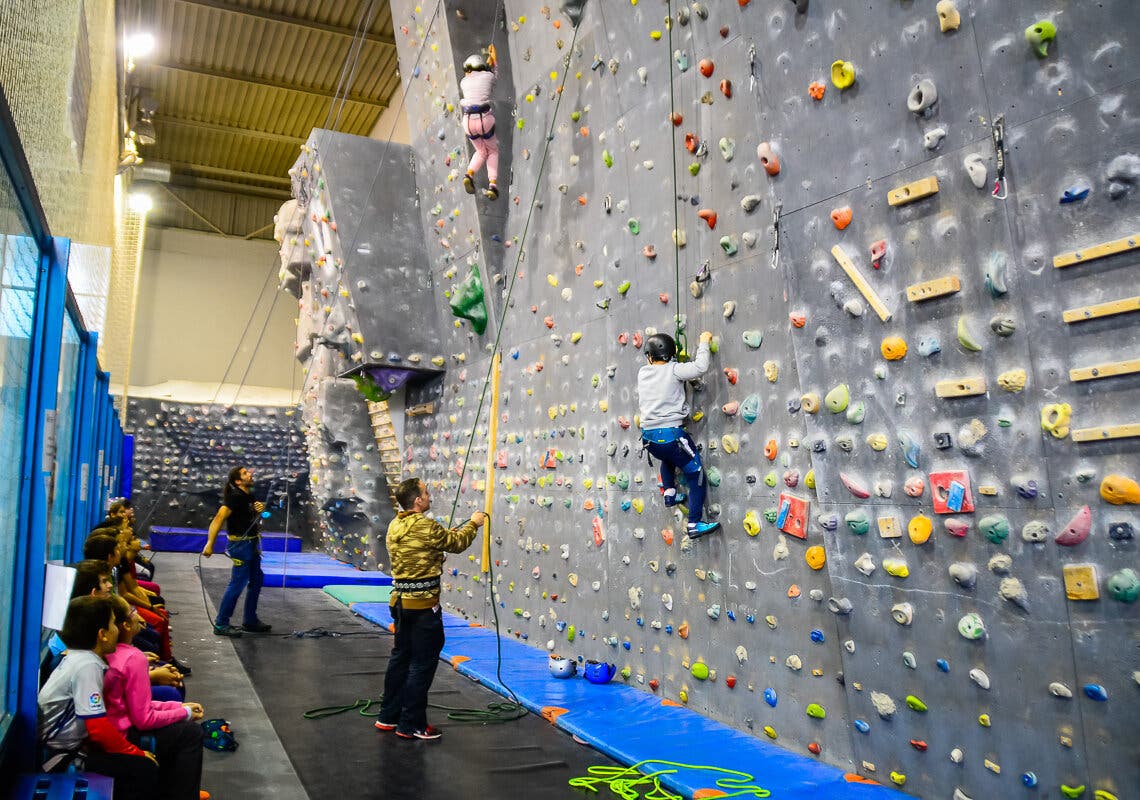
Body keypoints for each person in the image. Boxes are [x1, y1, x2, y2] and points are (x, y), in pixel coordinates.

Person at [374, 478, 486, 740]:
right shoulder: (426, 525)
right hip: (423, 607)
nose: (429, 496)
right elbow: (456, 542)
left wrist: (434, 555)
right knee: (422, 664)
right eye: (426, 493)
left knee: (400, 658)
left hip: (400, 604)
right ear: (417, 500)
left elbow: (418, 551)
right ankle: (412, 723)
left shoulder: (395, 524)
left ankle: (388, 716)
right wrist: (474, 523)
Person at [38, 595, 159, 799]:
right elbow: (98, 728)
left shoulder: (80, 658)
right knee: (143, 767)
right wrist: (135, 752)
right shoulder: (88, 666)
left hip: (66, 748)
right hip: (60, 757)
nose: (117, 629)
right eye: (113, 624)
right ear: (102, 634)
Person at [104, 596, 208, 800]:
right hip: (121, 734)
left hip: (119, 724)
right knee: (191, 733)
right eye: (132, 612)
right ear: (123, 625)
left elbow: (133, 705)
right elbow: (144, 719)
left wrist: (175, 708)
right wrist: (183, 712)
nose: (137, 615)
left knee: (178, 720)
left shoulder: (116, 654)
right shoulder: (133, 658)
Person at [637, 330, 721, 538]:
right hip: (673, 435)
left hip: (649, 439)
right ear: (670, 355)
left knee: (668, 458)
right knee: (696, 473)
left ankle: (670, 494)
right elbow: (700, 367)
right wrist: (703, 342)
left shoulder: (643, 373)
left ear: (650, 356)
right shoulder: (674, 370)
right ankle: (694, 523)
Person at [202, 466, 271, 636]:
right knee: (238, 583)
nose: (251, 474)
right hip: (241, 546)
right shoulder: (235, 496)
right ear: (238, 481)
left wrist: (259, 510)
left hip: (252, 543)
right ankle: (221, 623)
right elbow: (219, 518)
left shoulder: (248, 496)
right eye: (245, 473)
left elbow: (248, 518)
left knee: (257, 579)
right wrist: (209, 543)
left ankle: (250, 620)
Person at [459, 44, 500, 200]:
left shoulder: (464, 82)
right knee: (492, 151)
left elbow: (477, 78)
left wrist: (487, 65)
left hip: (468, 121)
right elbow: (493, 76)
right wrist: (494, 60)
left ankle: (469, 174)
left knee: (481, 152)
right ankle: (493, 186)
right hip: (484, 119)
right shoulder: (488, 76)